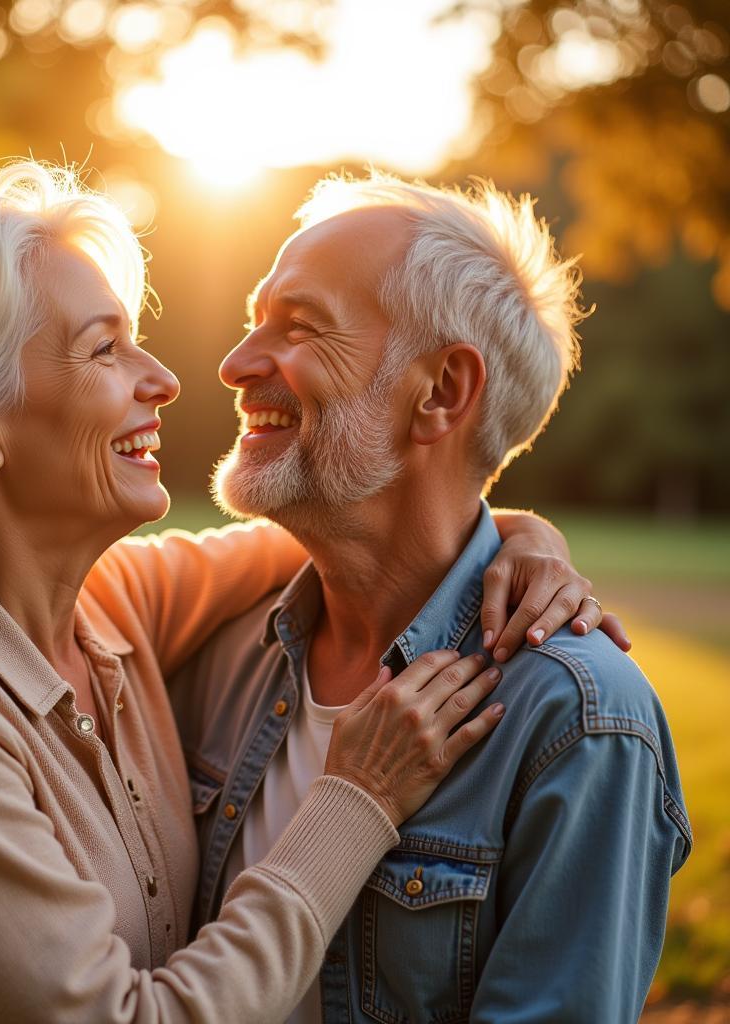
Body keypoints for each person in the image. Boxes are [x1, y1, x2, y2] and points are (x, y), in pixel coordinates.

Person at [0, 161, 619, 1024]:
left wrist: (522, 537)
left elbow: (384, 527)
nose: (168, 380)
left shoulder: (115, 608)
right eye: (105, 348)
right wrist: (354, 801)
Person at [171, 173, 692, 1023]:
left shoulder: (577, 722)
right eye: (251, 320)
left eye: (299, 326)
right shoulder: (214, 647)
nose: (235, 365)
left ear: (442, 391)